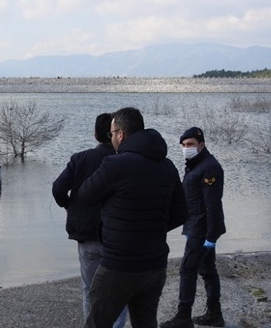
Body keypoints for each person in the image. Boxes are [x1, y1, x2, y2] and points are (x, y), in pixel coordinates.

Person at [77, 107, 188, 328]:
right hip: (154, 264)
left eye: (111, 134)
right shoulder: (167, 166)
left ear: (121, 134)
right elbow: (181, 213)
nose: (111, 139)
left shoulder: (116, 164)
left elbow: (85, 194)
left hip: (119, 263)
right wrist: (150, 229)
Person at [52, 113, 128, 327]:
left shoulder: (80, 158)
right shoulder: (123, 161)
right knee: (118, 292)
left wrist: (69, 206)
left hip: (87, 235)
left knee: (89, 289)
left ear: (95, 134)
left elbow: (58, 188)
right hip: (116, 237)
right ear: (117, 135)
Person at [160, 127, 226, 328]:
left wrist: (211, 236)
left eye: (190, 145)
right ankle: (214, 315)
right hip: (195, 226)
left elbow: (212, 204)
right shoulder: (196, 165)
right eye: (184, 145)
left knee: (187, 270)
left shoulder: (209, 168)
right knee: (207, 270)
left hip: (202, 229)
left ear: (201, 145)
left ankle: (183, 317)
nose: (186, 148)